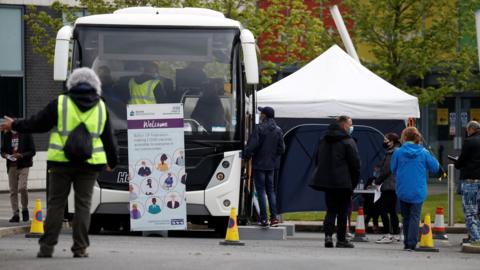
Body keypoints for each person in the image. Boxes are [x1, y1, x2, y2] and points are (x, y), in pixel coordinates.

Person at [0, 67, 118, 258]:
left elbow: (38, 123)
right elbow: (108, 138)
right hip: (89, 164)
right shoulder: (101, 106)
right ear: (96, 85)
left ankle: (47, 248)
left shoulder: (61, 102)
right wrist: (112, 162)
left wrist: (14, 124)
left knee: (56, 204)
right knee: (83, 206)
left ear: (71, 83)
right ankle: (80, 249)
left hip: (61, 163)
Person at [309, 115, 360, 248]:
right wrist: (353, 182)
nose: (351, 127)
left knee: (331, 210)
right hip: (344, 182)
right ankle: (341, 239)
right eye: (350, 125)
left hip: (327, 181)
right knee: (343, 211)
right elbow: (355, 164)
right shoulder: (348, 141)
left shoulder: (323, 139)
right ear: (344, 125)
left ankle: (328, 237)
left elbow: (317, 159)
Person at [391, 127, 439, 251]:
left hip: (403, 188)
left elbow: (393, 169)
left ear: (404, 137)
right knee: (414, 216)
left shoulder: (398, 152)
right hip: (418, 189)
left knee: (405, 216)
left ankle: (407, 242)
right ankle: (412, 243)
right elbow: (435, 168)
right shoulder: (423, 152)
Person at [244, 106, 285, 227]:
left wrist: (246, 156)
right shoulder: (278, 130)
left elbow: (252, 146)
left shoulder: (259, 128)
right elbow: (282, 149)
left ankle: (263, 219)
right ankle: (274, 218)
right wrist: (272, 156)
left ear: (265, 115)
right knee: (271, 191)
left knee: (261, 191)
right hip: (271, 165)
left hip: (259, 164)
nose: (260, 114)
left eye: (261, 113)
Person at [1, 129, 36, 222]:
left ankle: (25, 209)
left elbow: (33, 151)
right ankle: (15, 214)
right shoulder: (6, 135)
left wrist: (21, 155)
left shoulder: (26, 133)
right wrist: (7, 156)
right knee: (13, 191)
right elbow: (2, 151)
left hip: (24, 165)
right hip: (11, 166)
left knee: (22, 188)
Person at [455, 121, 480, 247]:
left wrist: (457, 163)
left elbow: (462, 160)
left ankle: (476, 238)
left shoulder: (469, 141)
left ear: (471, 129)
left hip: (471, 180)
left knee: (470, 211)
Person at [375, 133, 402, 244]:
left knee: (383, 209)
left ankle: (387, 234)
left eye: (386, 140)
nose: (384, 142)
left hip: (389, 185)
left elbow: (388, 170)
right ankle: (395, 234)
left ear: (392, 142)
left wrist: (378, 181)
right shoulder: (394, 152)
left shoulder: (392, 153)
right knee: (392, 211)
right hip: (394, 185)